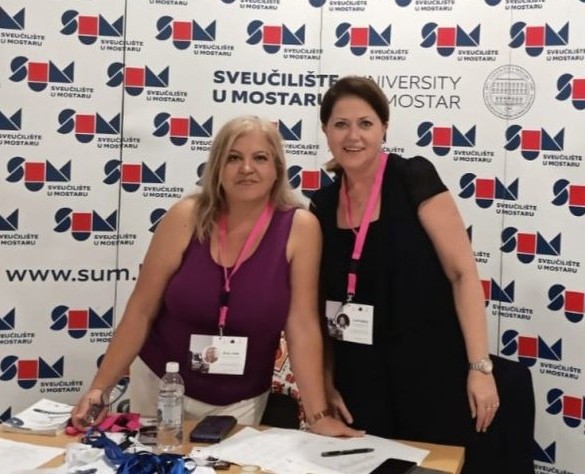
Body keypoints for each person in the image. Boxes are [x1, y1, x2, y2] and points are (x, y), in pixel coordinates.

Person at [71, 115, 361, 438]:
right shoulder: (186, 216)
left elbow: (302, 327)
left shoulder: (300, 228)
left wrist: (318, 416)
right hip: (161, 386)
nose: (246, 168)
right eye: (233, 158)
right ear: (217, 167)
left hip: (241, 401)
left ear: (277, 168)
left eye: (260, 158)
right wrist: (99, 389)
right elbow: (141, 309)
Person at [310, 76, 533, 473]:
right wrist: (325, 382)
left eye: (365, 123)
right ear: (326, 130)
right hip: (360, 382)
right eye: (341, 124)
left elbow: (463, 275)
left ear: (384, 128)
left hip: (433, 372)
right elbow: (318, 309)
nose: (353, 136)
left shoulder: (413, 178)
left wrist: (480, 368)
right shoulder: (321, 206)